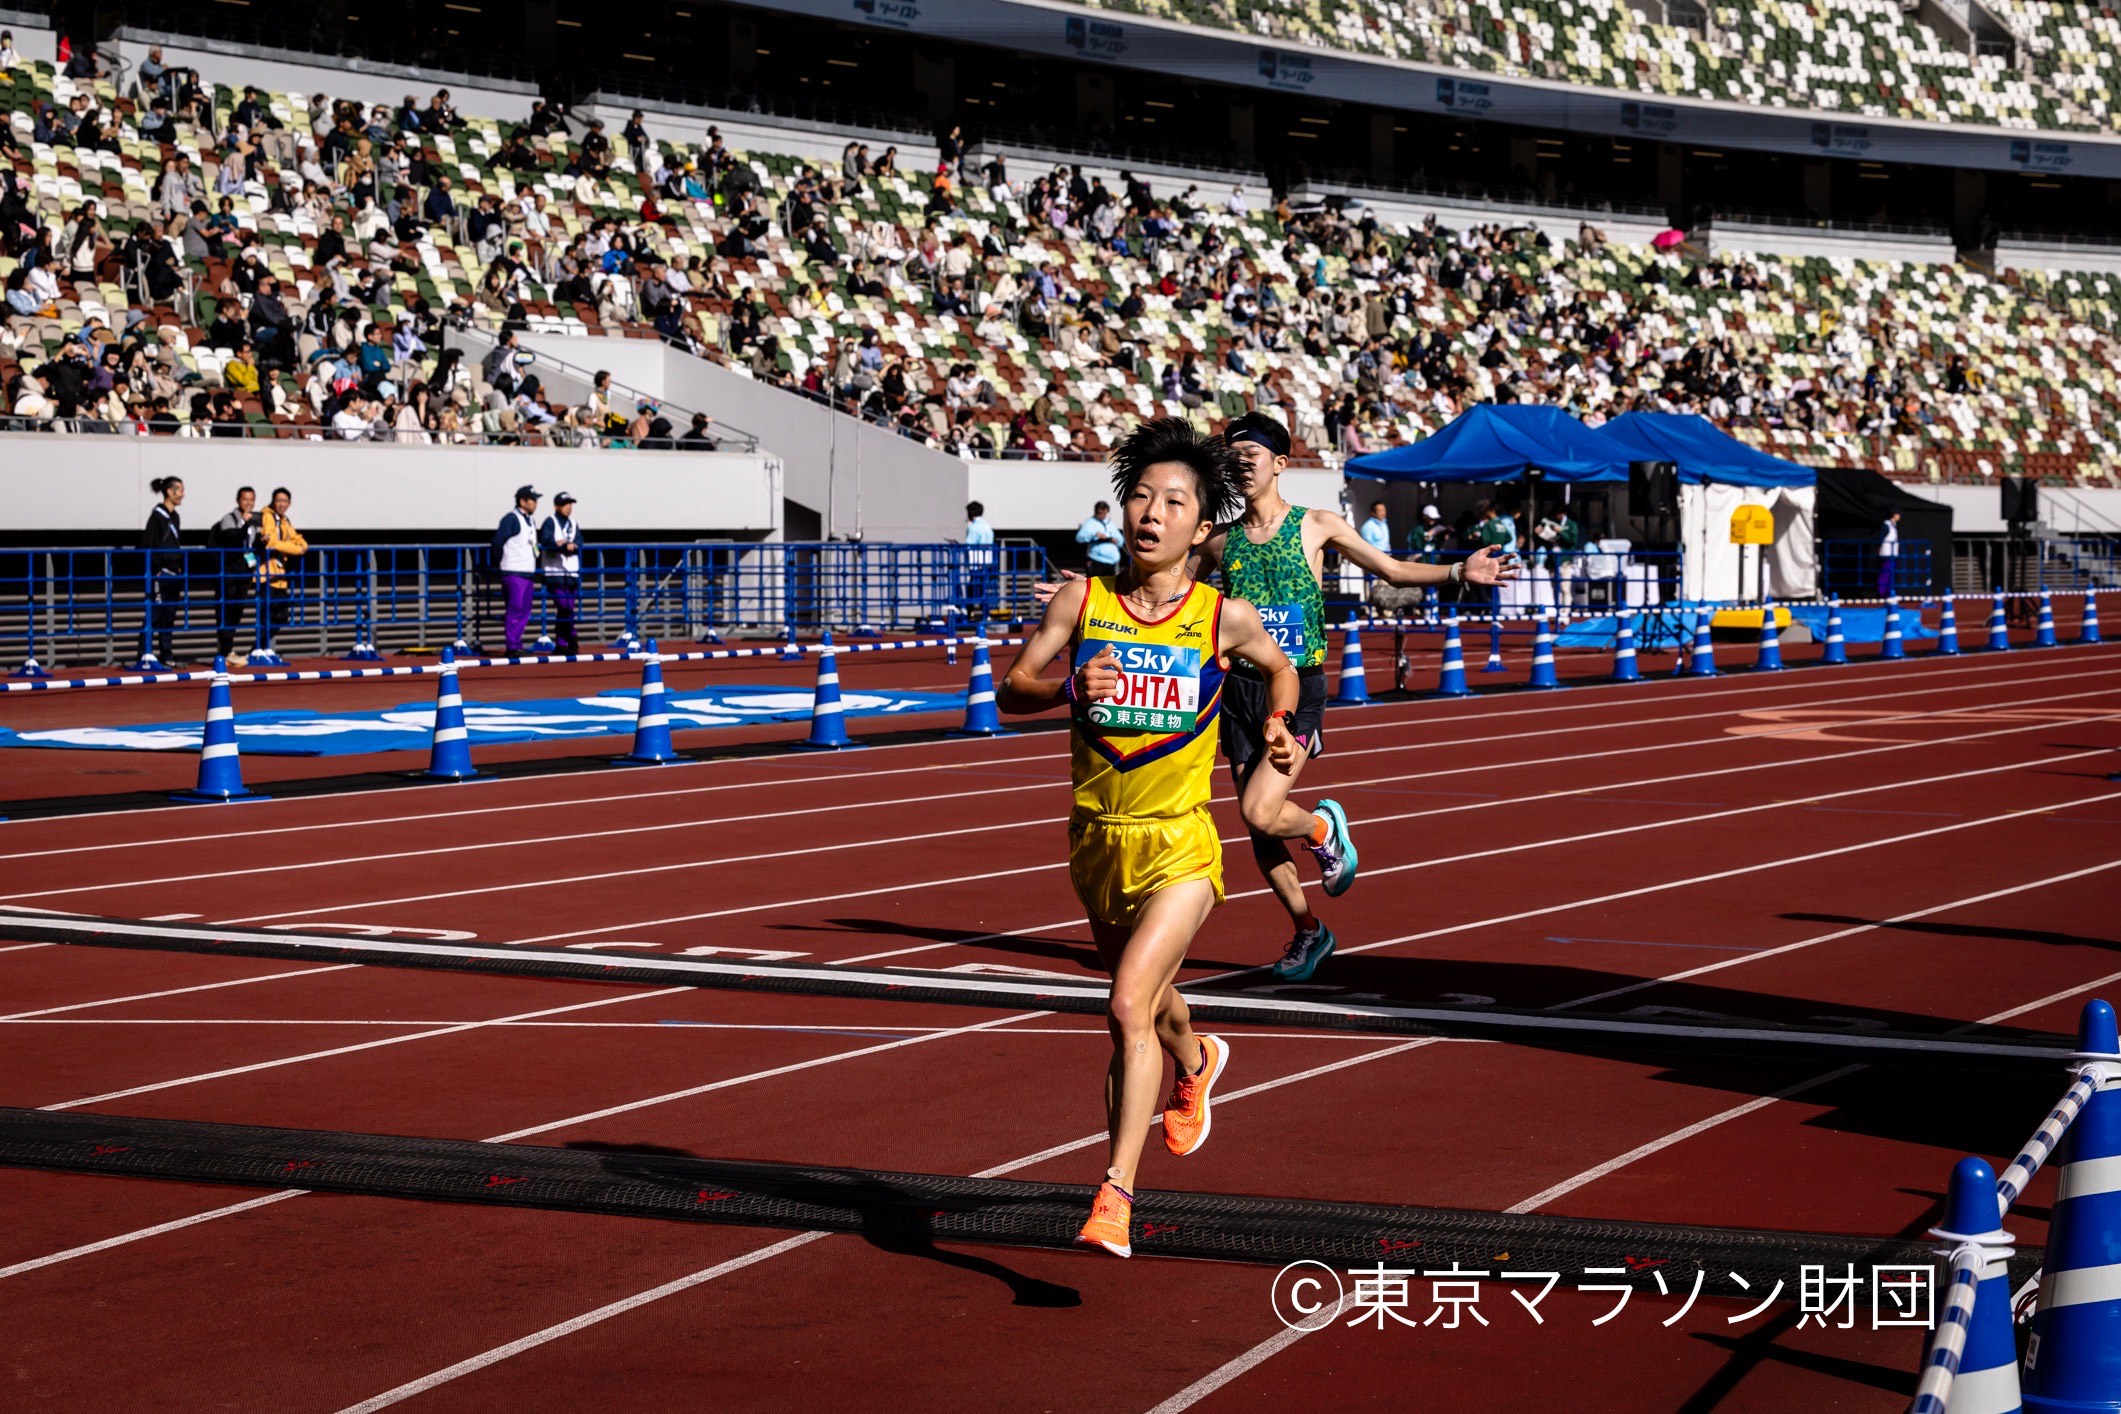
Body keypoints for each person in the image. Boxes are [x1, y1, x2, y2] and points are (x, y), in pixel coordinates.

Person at [997, 417, 1302, 1260]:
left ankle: (1114, 1195)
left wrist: (1280, 727)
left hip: (1180, 845)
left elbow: (1282, 667)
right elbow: (1010, 690)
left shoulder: (1222, 617)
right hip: (1097, 843)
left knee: (1126, 1004)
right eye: (1139, 495)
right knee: (1155, 1000)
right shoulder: (1081, 601)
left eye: (1173, 501)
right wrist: (1067, 684)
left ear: (1201, 527)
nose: (1151, 512)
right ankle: (1196, 1056)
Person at [209, 486, 263, 662]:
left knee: (237, 611)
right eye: (245, 499)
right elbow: (231, 539)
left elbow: (251, 547)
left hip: (244, 572)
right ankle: (225, 651)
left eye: (251, 500)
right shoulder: (229, 519)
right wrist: (246, 524)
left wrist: (262, 541)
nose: (248, 503)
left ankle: (227, 650)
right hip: (228, 572)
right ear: (238, 500)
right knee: (226, 610)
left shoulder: (253, 522)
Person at [256, 487, 307, 657]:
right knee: (266, 615)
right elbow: (271, 542)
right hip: (267, 575)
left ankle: (261, 648)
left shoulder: (285, 520)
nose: (282, 504)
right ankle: (259, 649)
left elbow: (296, 539)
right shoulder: (268, 517)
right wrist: (295, 549)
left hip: (280, 576)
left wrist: (301, 546)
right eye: (279, 501)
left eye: (285, 501)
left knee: (281, 615)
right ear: (273, 501)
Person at [493, 485, 543, 653]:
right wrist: (498, 564)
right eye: (533, 500)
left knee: (524, 609)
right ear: (523, 501)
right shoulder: (511, 519)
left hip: (527, 572)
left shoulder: (530, 520)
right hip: (514, 571)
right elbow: (498, 543)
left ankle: (516, 642)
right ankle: (512, 645)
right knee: (515, 608)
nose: (536, 503)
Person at [142, 476, 184, 664]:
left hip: (175, 573)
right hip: (161, 573)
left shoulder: (175, 516)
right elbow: (148, 544)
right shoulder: (157, 516)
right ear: (170, 491)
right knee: (155, 614)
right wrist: (155, 569)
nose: (183, 494)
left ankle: (166, 655)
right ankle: (145, 654)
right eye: (180, 490)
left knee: (169, 615)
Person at [538, 492, 582, 654]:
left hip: (571, 572)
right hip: (554, 572)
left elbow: (579, 541)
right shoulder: (551, 522)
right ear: (557, 506)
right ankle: (571, 635)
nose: (569, 507)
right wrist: (563, 546)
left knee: (569, 607)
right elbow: (547, 540)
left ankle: (562, 643)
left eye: (570, 504)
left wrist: (570, 544)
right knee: (564, 607)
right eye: (565, 504)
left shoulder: (574, 523)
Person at [963, 499, 996, 623]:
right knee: (982, 588)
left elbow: (968, 545)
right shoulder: (987, 527)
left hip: (975, 564)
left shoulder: (974, 528)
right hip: (986, 562)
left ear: (970, 513)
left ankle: (969, 613)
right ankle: (986, 614)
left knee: (971, 589)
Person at [1075, 499, 1123, 573]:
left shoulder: (1110, 523)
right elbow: (1079, 538)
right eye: (1100, 513)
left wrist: (1114, 540)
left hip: (1112, 561)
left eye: (1104, 513)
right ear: (1096, 511)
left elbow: (1120, 540)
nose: (1102, 515)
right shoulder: (1090, 523)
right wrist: (1094, 535)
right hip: (1097, 560)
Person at [1879, 510, 1900, 598]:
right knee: (1885, 574)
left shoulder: (1893, 526)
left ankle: (1889, 593)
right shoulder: (1886, 525)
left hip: (1893, 555)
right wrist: (1880, 549)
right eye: (1898, 514)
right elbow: (1880, 538)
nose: (1899, 516)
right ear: (1893, 515)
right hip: (1887, 555)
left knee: (1891, 575)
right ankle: (1882, 594)